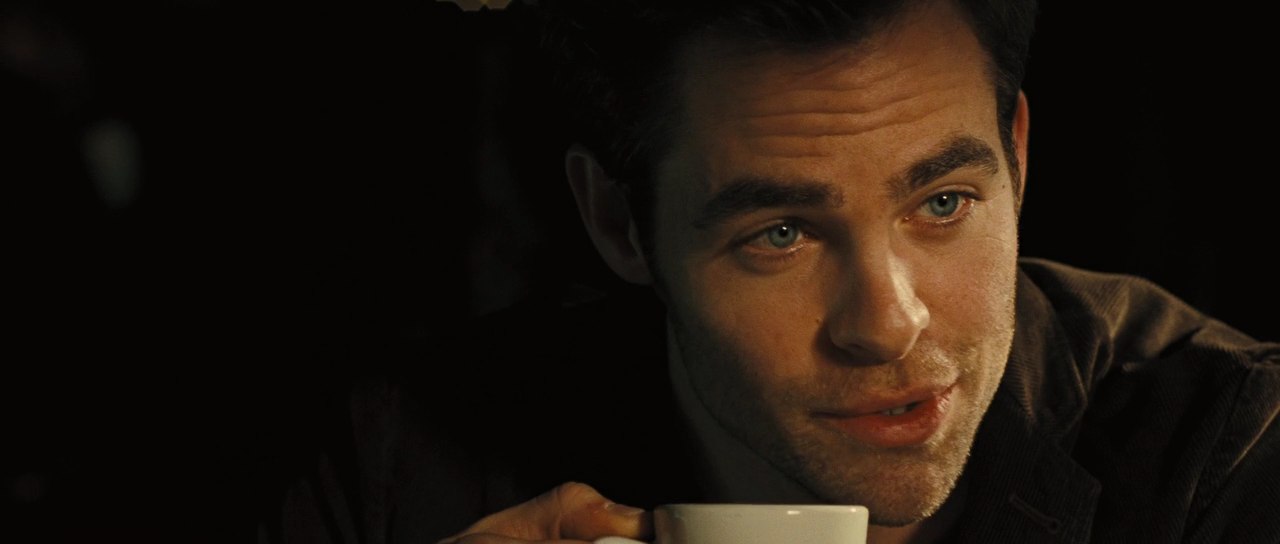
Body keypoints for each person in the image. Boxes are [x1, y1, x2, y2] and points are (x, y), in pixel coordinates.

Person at [263, 1, 1280, 542]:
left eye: (942, 203)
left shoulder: (1224, 452)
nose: (885, 323)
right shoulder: (407, 467)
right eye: (781, 233)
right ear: (618, 223)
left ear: (1015, 158)